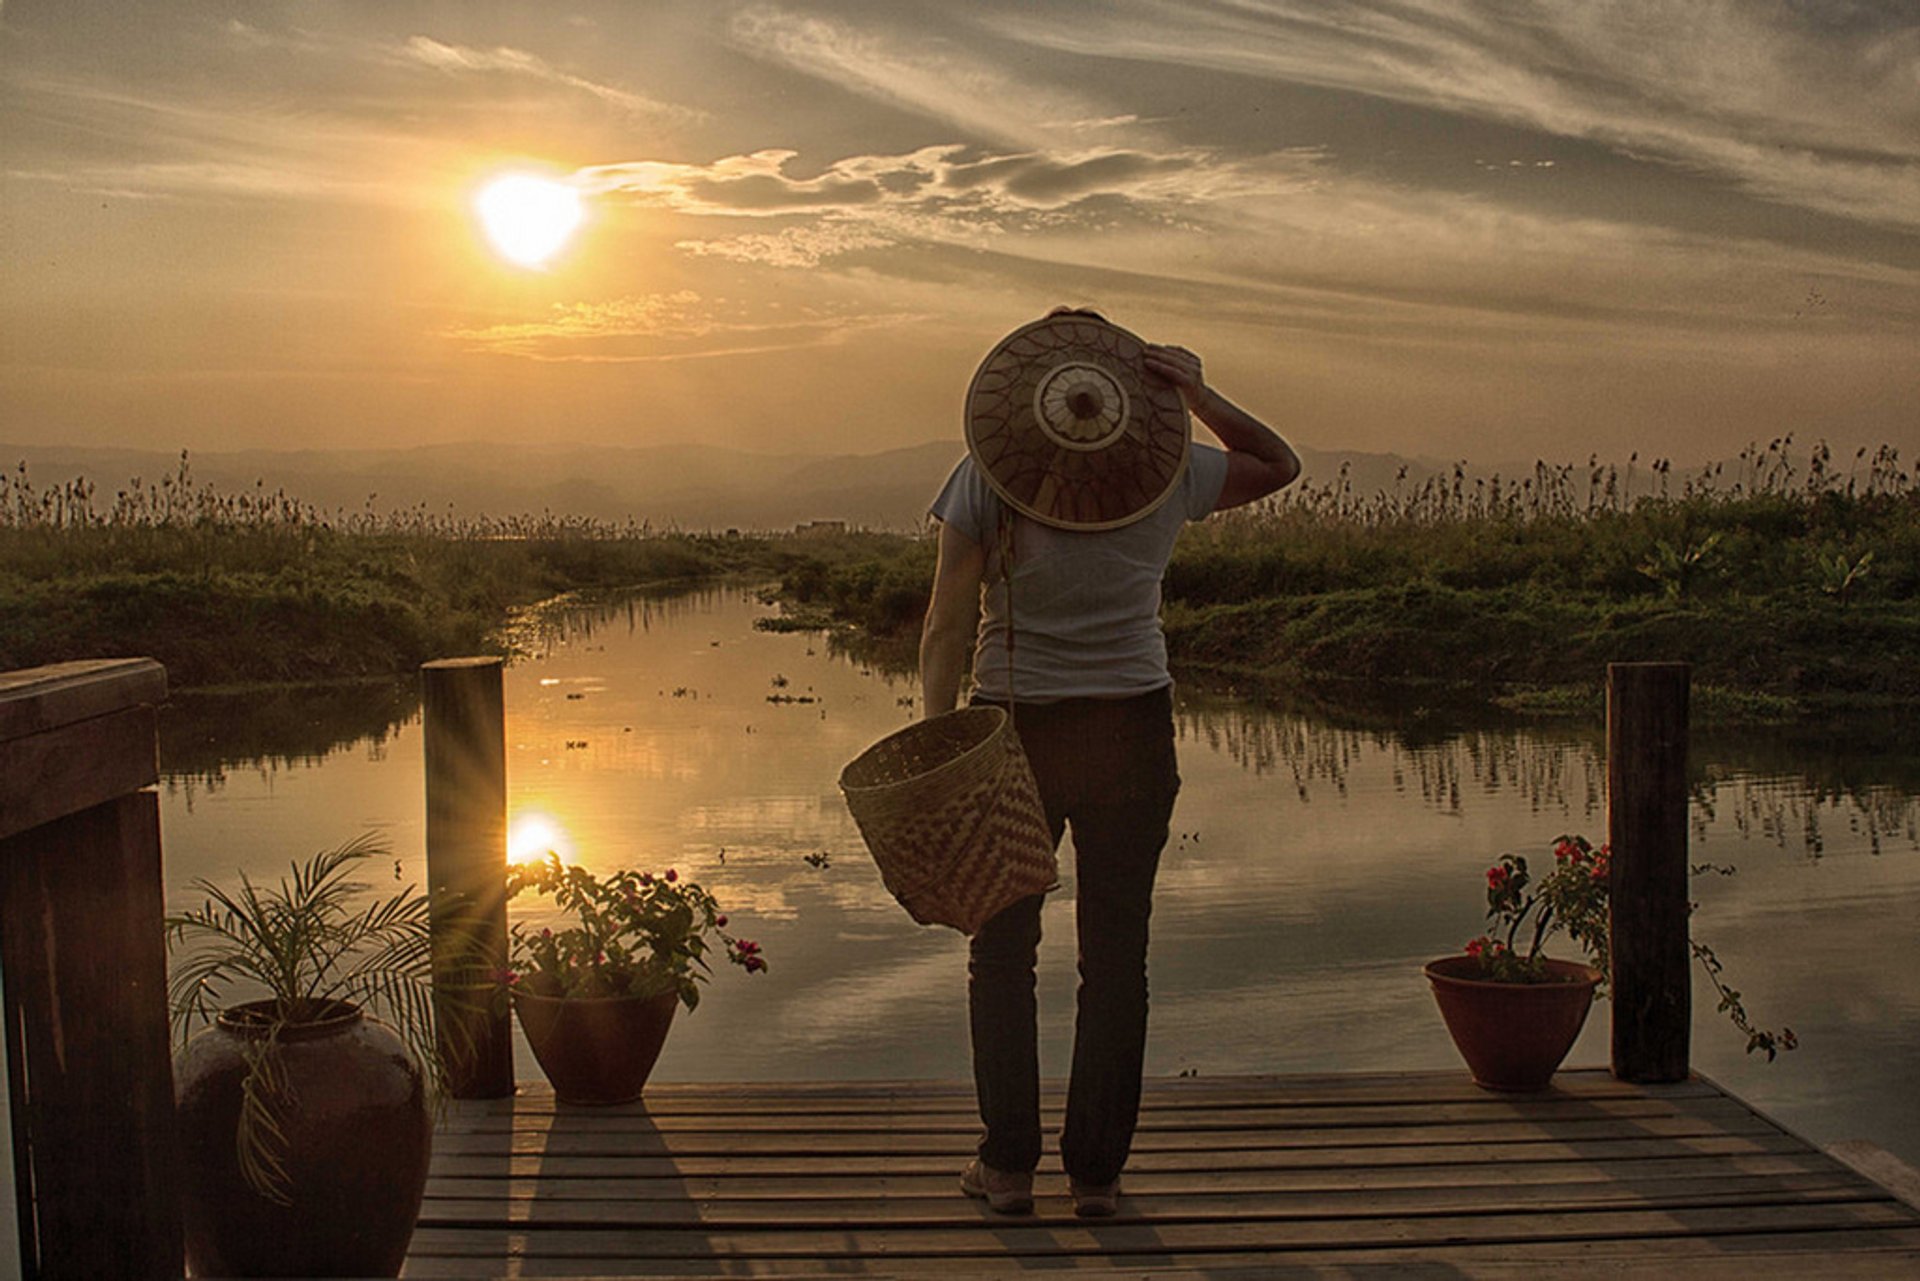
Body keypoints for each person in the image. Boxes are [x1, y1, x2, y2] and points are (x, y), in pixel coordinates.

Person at [919, 310, 1301, 1218]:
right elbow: (1279, 463)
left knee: (1001, 954)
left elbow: (944, 623)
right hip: (1133, 728)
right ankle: (1096, 1177)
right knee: (1115, 957)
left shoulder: (987, 477)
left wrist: (940, 745)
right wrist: (1202, 396)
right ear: (1131, 394)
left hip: (1014, 730)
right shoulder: (1173, 473)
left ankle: (1009, 1169)